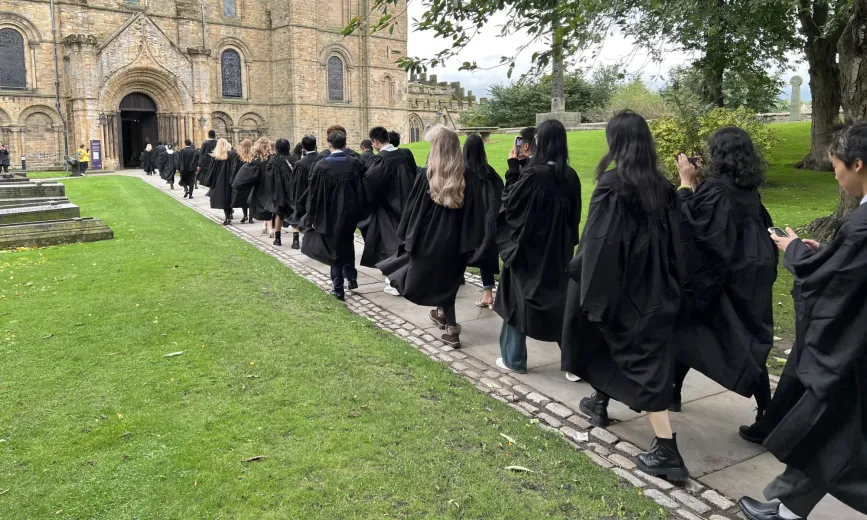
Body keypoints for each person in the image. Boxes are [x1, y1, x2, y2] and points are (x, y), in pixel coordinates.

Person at [737, 123, 867, 520]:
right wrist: (828, 250)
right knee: (832, 429)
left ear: (858, 164)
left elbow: (832, 282)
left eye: (836, 168)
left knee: (838, 432)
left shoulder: (863, 225)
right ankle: (788, 508)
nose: (837, 177)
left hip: (855, 346)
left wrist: (794, 250)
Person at [560, 110, 689, 483]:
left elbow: (598, 242)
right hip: (656, 285)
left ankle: (666, 451)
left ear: (616, 142)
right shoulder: (663, 187)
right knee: (609, 341)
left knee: (640, 359)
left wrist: (585, 283)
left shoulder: (614, 184)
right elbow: (675, 244)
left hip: (623, 286)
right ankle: (600, 400)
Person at [668, 127, 777, 425]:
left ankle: (767, 415)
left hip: (726, 275)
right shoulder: (747, 189)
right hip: (752, 273)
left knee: (698, 331)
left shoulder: (717, 189)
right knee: (742, 338)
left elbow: (692, 224)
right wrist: (701, 183)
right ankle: (674, 392)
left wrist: (686, 183)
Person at [378, 127, 487, 347]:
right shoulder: (470, 176)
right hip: (458, 241)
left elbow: (414, 212)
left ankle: (452, 328)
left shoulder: (427, 175)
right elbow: (476, 214)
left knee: (419, 277)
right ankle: (445, 318)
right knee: (450, 280)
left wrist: (408, 237)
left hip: (430, 240)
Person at [494, 119, 581, 374]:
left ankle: (514, 359)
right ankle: (575, 365)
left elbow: (510, 205)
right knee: (560, 302)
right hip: (558, 251)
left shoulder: (533, 175)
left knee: (515, 301)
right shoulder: (570, 176)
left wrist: (513, 168)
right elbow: (574, 216)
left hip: (528, 251)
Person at [300, 131, 365, 301]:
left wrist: (313, 217)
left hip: (330, 214)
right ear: (345, 144)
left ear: (329, 144)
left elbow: (314, 195)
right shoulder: (354, 163)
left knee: (333, 248)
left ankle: (338, 288)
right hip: (350, 212)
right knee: (348, 241)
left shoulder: (322, 166)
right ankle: (351, 278)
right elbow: (361, 189)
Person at [359, 126, 418, 296]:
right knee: (408, 243)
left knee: (391, 245)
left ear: (375, 142)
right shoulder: (406, 154)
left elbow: (370, 182)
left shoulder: (381, 160)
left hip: (390, 209)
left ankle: (396, 281)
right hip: (410, 205)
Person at [463, 135, 504, 309]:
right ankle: (488, 294)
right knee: (486, 254)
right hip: (488, 222)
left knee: (460, 253)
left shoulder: (464, 172)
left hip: (470, 222)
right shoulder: (490, 172)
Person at [287, 135, 319, 249]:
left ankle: (296, 240)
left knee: (297, 215)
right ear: (315, 145)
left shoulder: (300, 163)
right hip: (318, 195)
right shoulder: (322, 160)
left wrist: (297, 199)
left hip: (303, 195)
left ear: (303, 148)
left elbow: (296, 183)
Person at [262, 138, 294, 246]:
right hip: (291, 192)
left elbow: (269, 178)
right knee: (295, 214)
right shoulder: (293, 159)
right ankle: (296, 241)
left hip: (278, 192)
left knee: (278, 214)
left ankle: (278, 239)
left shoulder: (272, 161)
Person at [249, 138, 279, 235]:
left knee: (264, 204)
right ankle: (270, 228)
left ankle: (264, 226)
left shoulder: (255, 158)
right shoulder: (272, 157)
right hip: (269, 183)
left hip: (259, 183)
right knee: (268, 205)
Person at [206, 138, 238, 225]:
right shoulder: (232, 154)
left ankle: (227, 217)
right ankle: (230, 211)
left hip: (220, 181)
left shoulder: (216, 156)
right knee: (229, 197)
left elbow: (212, 171)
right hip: (230, 179)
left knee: (224, 199)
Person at [231, 139, 259, 224]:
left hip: (242, 180)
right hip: (251, 180)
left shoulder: (239, 156)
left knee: (243, 198)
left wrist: (234, 179)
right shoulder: (254, 155)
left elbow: (235, 169)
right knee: (250, 198)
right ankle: (251, 217)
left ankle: (245, 215)